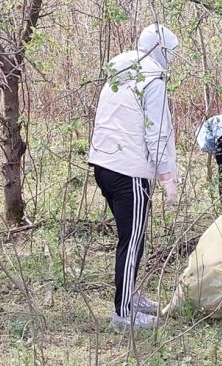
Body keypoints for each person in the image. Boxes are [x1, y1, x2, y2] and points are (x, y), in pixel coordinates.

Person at [88, 23, 179, 330]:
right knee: (132, 239)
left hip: (104, 166)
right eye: (171, 53)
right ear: (160, 51)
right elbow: (157, 131)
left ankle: (131, 294)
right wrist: (168, 178)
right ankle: (123, 312)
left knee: (131, 237)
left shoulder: (119, 75)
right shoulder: (152, 81)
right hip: (129, 171)